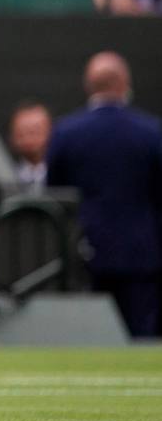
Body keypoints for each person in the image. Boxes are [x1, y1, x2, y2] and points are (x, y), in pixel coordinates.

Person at [47, 52, 162, 337]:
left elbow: (54, 192)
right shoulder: (151, 133)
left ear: (89, 85)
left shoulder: (66, 132)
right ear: (124, 82)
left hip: (85, 251)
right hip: (141, 254)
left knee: (89, 338)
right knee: (141, 336)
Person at [8, 101, 51, 192]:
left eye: (35, 131)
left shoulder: (65, 175)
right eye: (21, 133)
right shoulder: (6, 176)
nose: (29, 138)